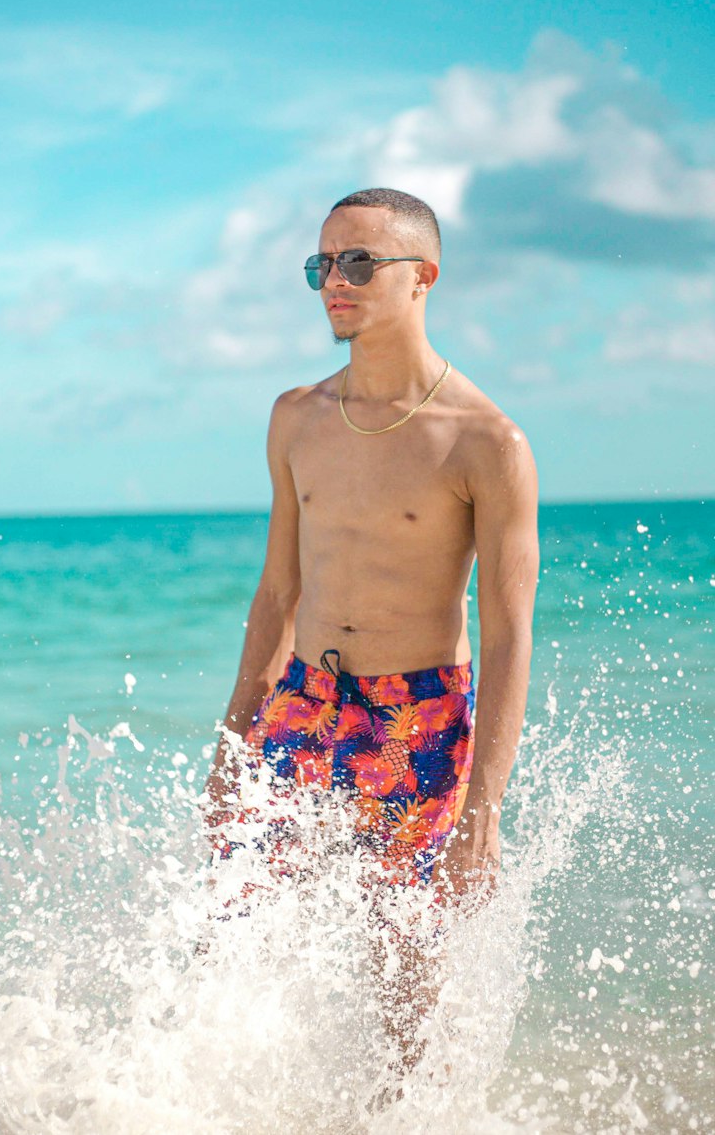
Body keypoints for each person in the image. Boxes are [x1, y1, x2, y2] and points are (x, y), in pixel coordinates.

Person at [203, 186, 539, 1068]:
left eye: (359, 262)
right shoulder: (296, 417)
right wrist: (234, 739)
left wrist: (486, 808)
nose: (334, 283)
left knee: (402, 962)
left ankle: (402, 1116)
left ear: (424, 275)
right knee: (234, 914)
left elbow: (506, 636)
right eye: (323, 264)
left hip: (416, 716)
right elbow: (278, 592)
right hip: (303, 700)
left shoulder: (486, 441)